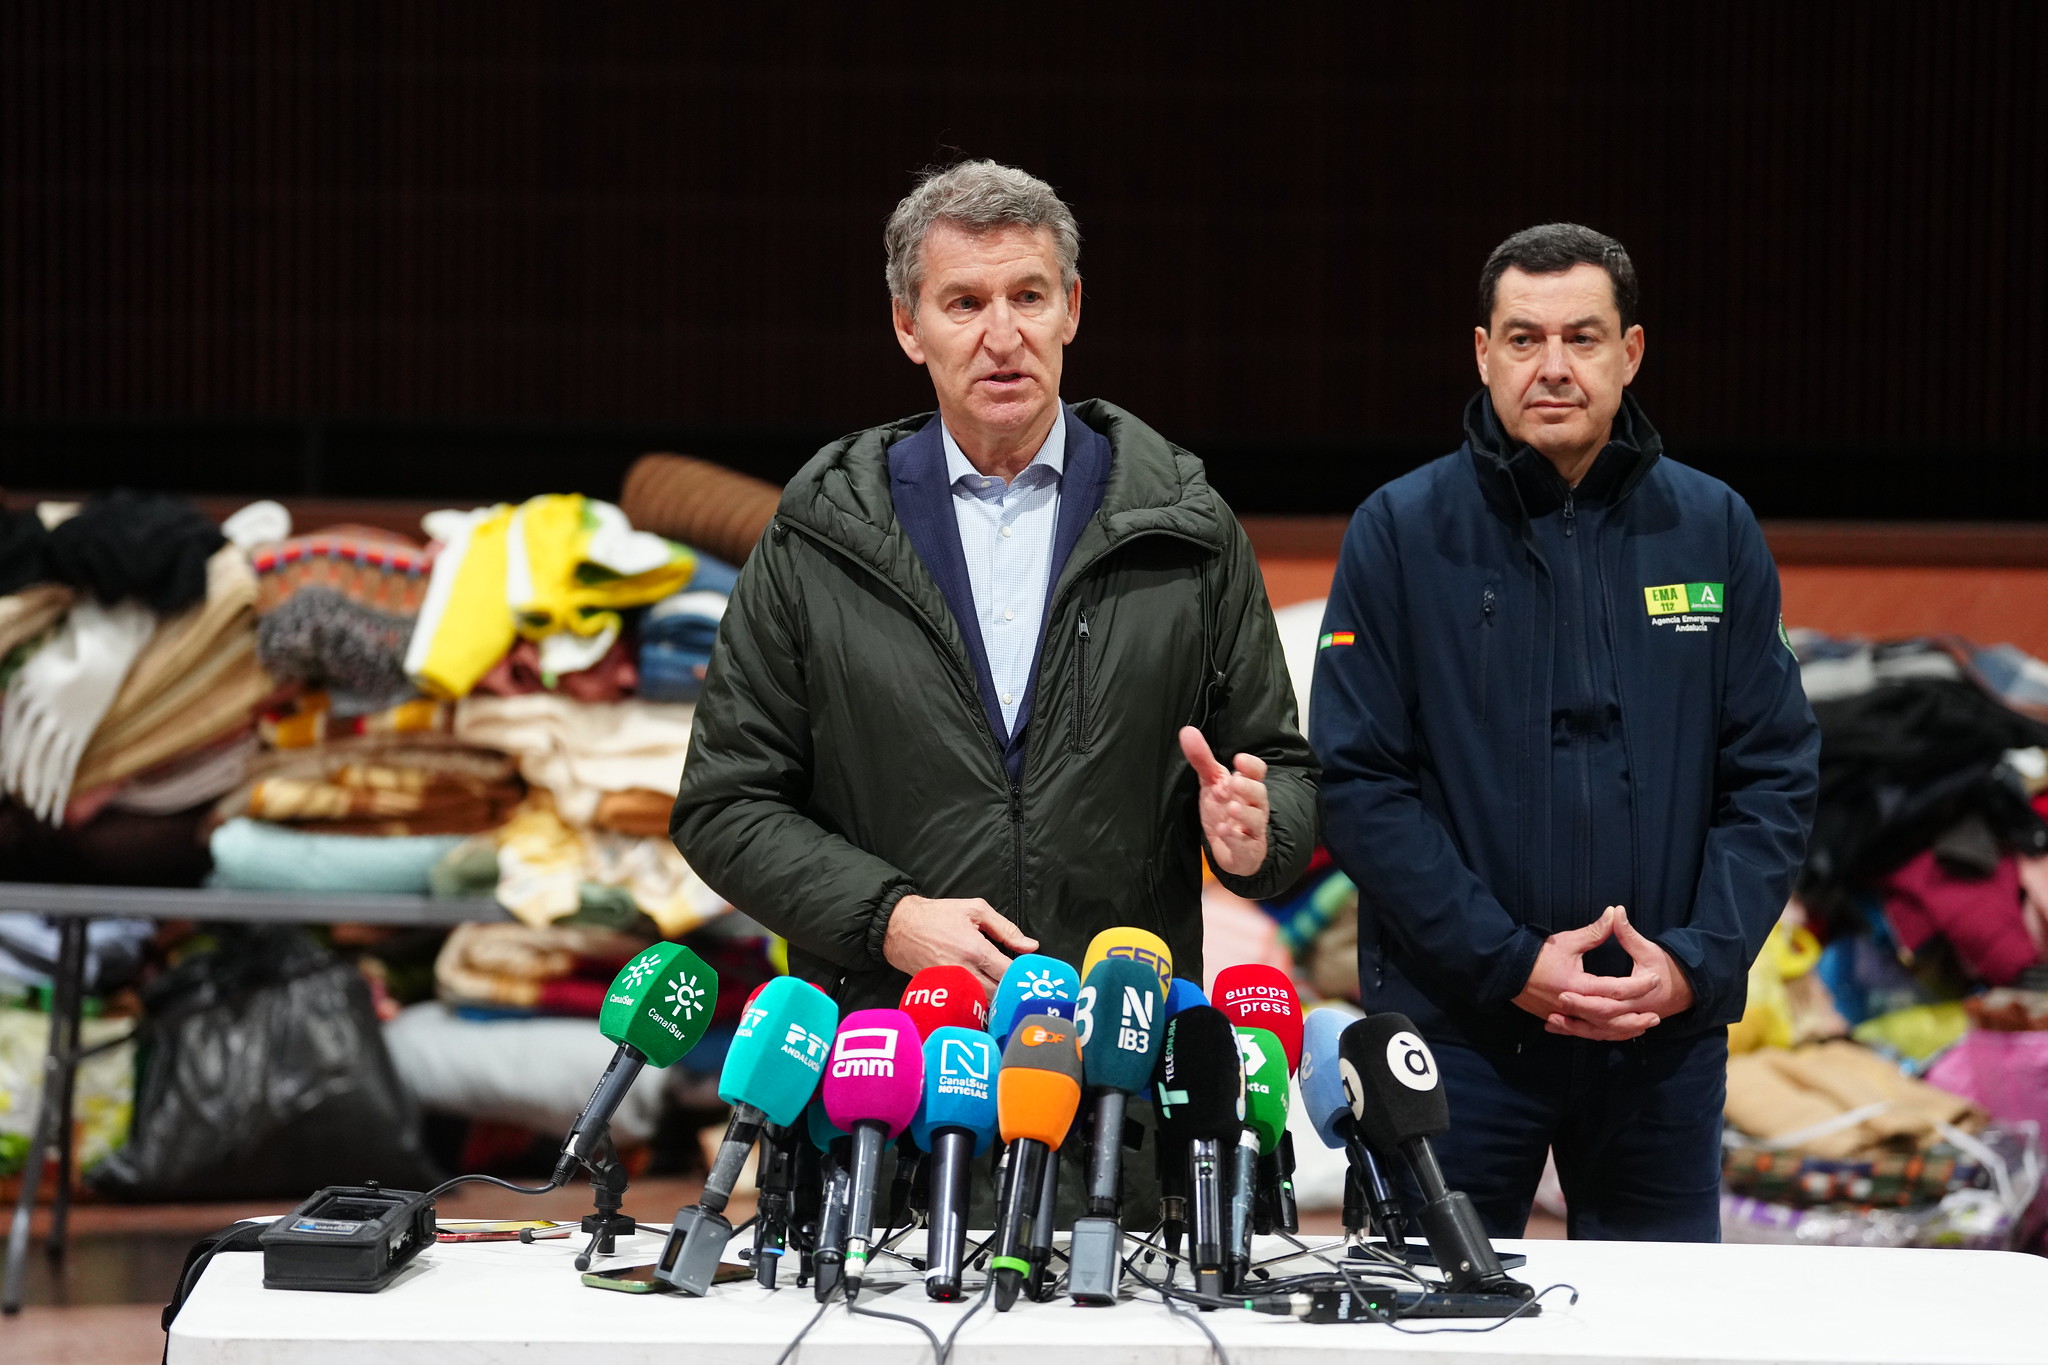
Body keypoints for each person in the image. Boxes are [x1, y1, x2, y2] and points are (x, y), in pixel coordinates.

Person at [673, 161, 1316, 1013]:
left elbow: (1283, 770)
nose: (1003, 335)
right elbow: (726, 804)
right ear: (909, 326)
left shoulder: (1187, 529)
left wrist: (1258, 836)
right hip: (891, 1048)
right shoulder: (817, 538)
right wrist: (890, 919)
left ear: (1072, 309)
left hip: (1115, 1048)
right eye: (966, 303)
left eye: (1029, 296)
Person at [1311, 223, 1818, 1241]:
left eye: (1581, 338)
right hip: (1456, 1037)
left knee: (1662, 1324)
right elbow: (1358, 784)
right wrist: (1509, 964)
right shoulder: (1398, 532)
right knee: (1428, 1317)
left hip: (1660, 1039)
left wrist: (1694, 965)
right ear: (1481, 353)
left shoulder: (1713, 527)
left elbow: (1773, 773)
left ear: (1629, 352)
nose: (1552, 366)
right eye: (1523, 338)